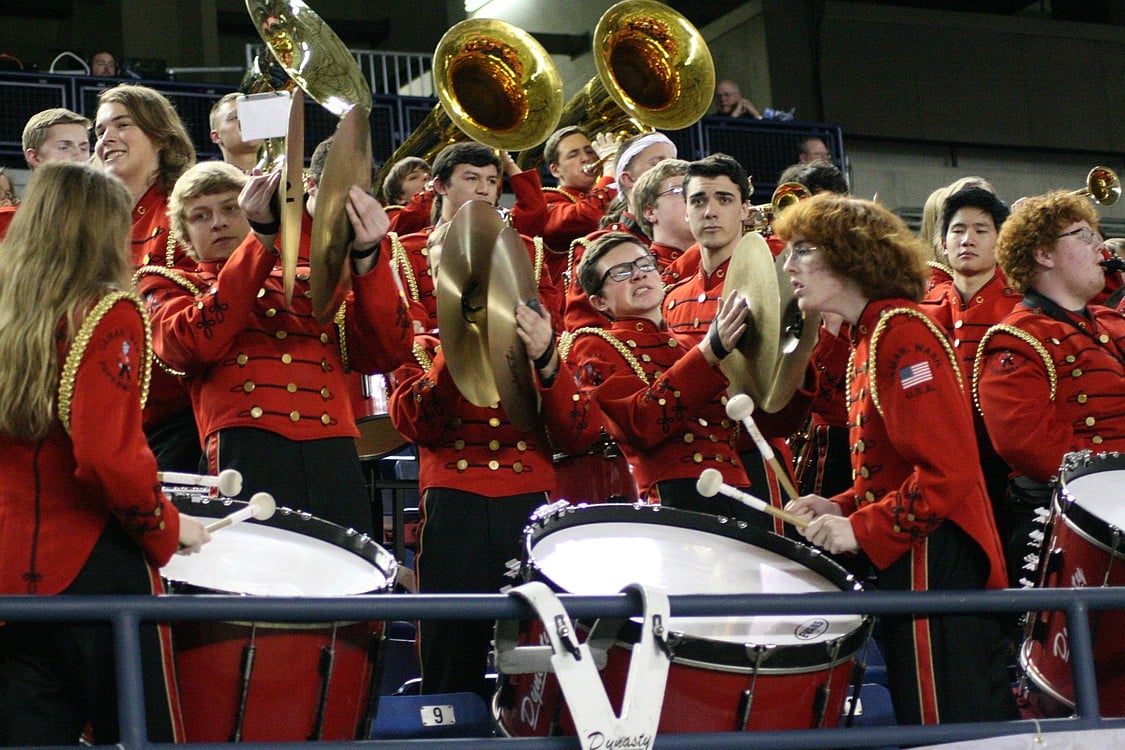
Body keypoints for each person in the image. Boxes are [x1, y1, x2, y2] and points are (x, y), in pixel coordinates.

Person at [777, 193, 1014, 726]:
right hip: (917, 548)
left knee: (946, 725)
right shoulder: (874, 330)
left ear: (850, 256)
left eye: (804, 251)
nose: (788, 265)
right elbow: (893, 465)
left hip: (937, 555)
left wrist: (862, 529)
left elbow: (947, 472)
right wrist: (840, 507)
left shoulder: (900, 332)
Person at [0, 162, 210, 745]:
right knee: (142, 734)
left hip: (7, 569)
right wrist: (170, 528)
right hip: (94, 563)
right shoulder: (108, 312)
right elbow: (106, 458)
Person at [388, 206, 600, 700]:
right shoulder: (417, 346)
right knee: (449, 646)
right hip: (455, 500)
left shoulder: (538, 343)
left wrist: (547, 358)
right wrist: (458, 342)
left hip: (528, 500)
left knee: (532, 649)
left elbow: (577, 435)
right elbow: (419, 423)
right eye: (454, 275)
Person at [137, 159, 412, 536]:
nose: (217, 222)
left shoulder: (307, 277)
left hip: (333, 452)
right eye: (200, 216)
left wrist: (368, 257)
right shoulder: (166, 283)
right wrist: (262, 239)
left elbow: (385, 352)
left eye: (231, 208)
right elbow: (191, 344)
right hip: (246, 451)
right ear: (183, 234)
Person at [975, 190, 1125, 587]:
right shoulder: (1016, 339)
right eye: (1083, 236)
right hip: (1070, 524)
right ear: (1044, 255)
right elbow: (1031, 447)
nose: (1100, 247)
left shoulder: (1110, 324)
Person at [566, 232, 769, 523]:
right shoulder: (593, 345)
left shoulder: (689, 344)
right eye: (620, 272)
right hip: (673, 494)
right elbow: (641, 425)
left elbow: (760, 420)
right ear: (599, 302)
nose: (637, 275)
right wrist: (709, 351)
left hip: (738, 488)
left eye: (644, 264)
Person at [662, 153, 813, 531]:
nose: (710, 211)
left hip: (753, 456)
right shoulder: (671, 296)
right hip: (687, 464)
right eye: (698, 201)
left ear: (746, 209)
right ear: (685, 212)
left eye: (724, 200)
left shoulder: (778, 285)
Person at [94, 83, 199, 473]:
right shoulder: (95, 223)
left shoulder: (188, 211)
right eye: (101, 130)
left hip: (180, 417)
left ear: (160, 136)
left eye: (122, 125)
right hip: (112, 416)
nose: (107, 138)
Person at [919, 187, 1018, 576]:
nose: (968, 240)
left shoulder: (1020, 307)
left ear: (1000, 241)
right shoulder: (919, 309)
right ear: (942, 244)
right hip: (936, 467)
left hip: (1000, 468)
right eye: (958, 231)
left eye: (981, 230)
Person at [389, 141, 560, 331]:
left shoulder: (526, 249)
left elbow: (551, 322)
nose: (484, 190)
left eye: (492, 181)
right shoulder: (407, 250)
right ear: (440, 186)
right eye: (472, 179)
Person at [561, 131, 677, 331]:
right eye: (657, 164)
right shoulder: (598, 245)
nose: (673, 172)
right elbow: (584, 329)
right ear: (628, 179)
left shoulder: (690, 237)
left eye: (674, 163)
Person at [508, 125, 620, 285]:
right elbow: (589, 216)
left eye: (589, 151)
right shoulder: (548, 201)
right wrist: (609, 171)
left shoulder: (615, 191)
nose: (585, 158)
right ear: (555, 170)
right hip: (569, 302)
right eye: (573, 155)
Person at [630, 158, 694, 272]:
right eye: (679, 191)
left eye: (697, 192)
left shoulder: (729, 262)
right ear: (650, 212)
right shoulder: (638, 272)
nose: (693, 199)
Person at [208, 92, 260, 174]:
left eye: (252, 116)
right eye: (235, 117)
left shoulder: (281, 177)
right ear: (216, 137)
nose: (248, 121)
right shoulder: (208, 184)